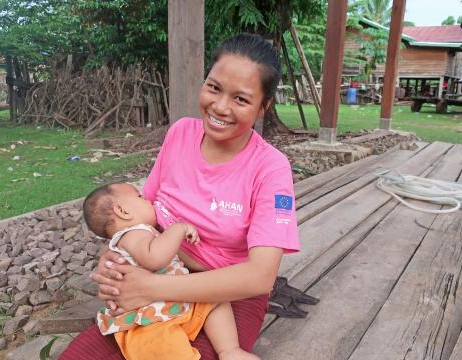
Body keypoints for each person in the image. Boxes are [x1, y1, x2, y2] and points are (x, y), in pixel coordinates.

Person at [60, 33, 300, 360]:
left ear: (263, 107)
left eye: (241, 99)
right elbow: (147, 212)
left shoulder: (270, 168)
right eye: (214, 87)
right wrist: (116, 255)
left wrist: (151, 288)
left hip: (227, 296)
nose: (220, 106)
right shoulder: (180, 134)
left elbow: (260, 276)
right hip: (159, 271)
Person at [82, 182, 259, 360]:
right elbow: (154, 259)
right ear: (123, 212)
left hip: (171, 301)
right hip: (149, 320)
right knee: (165, 348)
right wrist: (178, 228)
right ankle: (229, 351)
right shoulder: (133, 234)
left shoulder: (139, 234)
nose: (148, 200)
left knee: (216, 301)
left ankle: (229, 351)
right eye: (140, 197)